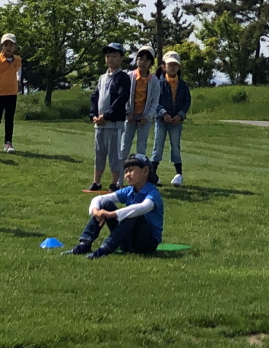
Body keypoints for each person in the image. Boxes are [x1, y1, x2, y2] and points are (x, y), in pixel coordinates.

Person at [71, 153, 165, 257]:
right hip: (127, 240)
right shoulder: (129, 190)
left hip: (146, 244)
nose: (127, 175)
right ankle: (84, 244)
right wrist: (95, 211)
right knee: (105, 203)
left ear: (145, 171)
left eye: (131, 170)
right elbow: (99, 198)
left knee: (133, 215)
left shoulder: (153, 193)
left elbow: (142, 208)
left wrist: (111, 214)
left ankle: (105, 249)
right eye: (126, 171)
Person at [87, 44, 132, 193]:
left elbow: (121, 98)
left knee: (114, 155)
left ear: (121, 58)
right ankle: (96, 182)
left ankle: (115, 183)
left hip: (114, 123)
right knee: (99, 154)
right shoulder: (102, 78)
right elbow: (95, 97)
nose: (110, 59)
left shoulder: (123, 77)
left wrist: (106, 115)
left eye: (114, 56)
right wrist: (94, 115)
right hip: (99, 125)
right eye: (108, 56)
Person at [150, 50, 190, 186]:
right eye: (170, 65)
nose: (172, 67)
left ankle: (178, 175)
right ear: (163, 66)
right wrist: (163, 113)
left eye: (175, 65)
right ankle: (153, 174)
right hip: (161, 120)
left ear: (178, 67)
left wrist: (180, 115)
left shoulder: (182, 85)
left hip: (176, 122)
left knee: (176, 146)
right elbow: (155, 100)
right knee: (158, 146)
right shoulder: (158, 83)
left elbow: (186, 101)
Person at [127, 46, 165, 162]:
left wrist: (147, 117)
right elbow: (124, 96)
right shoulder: (129, 76)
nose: (143, 62)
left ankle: (139, 171)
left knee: (141, 148)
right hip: (129, 117)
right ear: (137, 60)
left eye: (147, 60)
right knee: (124, 146)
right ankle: (120, 172)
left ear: (151, 63)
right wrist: (127, 112)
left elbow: (155, 101)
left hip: (144, 118)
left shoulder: (154, 81)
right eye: (140, 59)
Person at [0, 34, 24, 154]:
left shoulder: (17, 60)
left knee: (9, 119)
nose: (8, 47)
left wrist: (18, 79)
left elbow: (18, 70)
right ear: (2, 46)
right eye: (6, 45)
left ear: (14, 46)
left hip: (12, 93)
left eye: (11, 45)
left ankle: (8, 142)